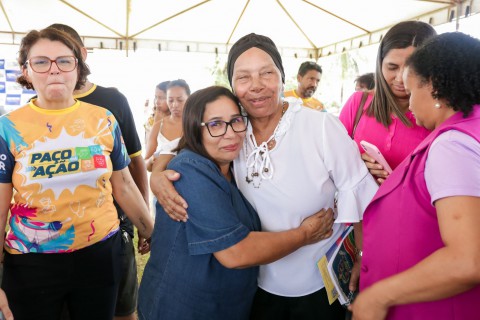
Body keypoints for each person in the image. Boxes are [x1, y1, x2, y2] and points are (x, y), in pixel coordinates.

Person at [151, 33, 378, 319]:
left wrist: (361, 257)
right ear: (233, 85)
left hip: (315, 285)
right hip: (255, 284)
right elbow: (179, 143)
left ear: (283, 78)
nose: (256, 86)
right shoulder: (234, 128)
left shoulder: (319, 127)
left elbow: (356, 191)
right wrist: (157, 175)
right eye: (244, 77)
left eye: (267, 73)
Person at [138, 85, 336, 320]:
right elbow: (235, 252)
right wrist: (305, 234)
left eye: (236, 121)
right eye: (215, 124)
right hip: (183, 307)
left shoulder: (236, 163)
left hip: (226, 305)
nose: (230, 133)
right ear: (195, 129)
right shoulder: (190, 171)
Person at [0, 27, 154, 319]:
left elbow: (123, 184)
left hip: (99, 254)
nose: (54, 70)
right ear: (26, 71)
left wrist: (150, 231)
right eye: (41, 62)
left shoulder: (103, 120)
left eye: (64, 61)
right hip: (32, 263)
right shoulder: (7, 128)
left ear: (78, 68)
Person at [350, 32, 480, 320]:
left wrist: (378, 296)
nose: (408, 105)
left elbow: (468, 259)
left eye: (411, 93)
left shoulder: (452, 145)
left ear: (433, 88)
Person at [48, 23, 150, 320]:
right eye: (47, 59)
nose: (56, 67)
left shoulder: (112, 101)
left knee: (122, 310)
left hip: (113, 231)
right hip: (55, 241)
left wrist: (142, 219)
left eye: (65, 56)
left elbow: (135, 163)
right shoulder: (35, 110)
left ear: (81, 55)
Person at [339, 21, 436, 184]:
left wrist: (401, 187)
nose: (400, 78)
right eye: (392, 67)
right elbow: (332, 160)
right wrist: (356, 166)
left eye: (411, 70)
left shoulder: (436, 117)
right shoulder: (359, 102)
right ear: (380, 64)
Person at [145, 79, 190, 171]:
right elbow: (146, 163)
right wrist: (152, 160)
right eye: (170, 100)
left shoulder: (195, 125)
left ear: (189, 99)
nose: (175, 105)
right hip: (160, 179)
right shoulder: (158, 126)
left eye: (180, 100)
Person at [144, 81, 170, 153]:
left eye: (161, 98)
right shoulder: (151, 119)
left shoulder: (175, 122)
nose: (157, 102)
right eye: (156, 97)